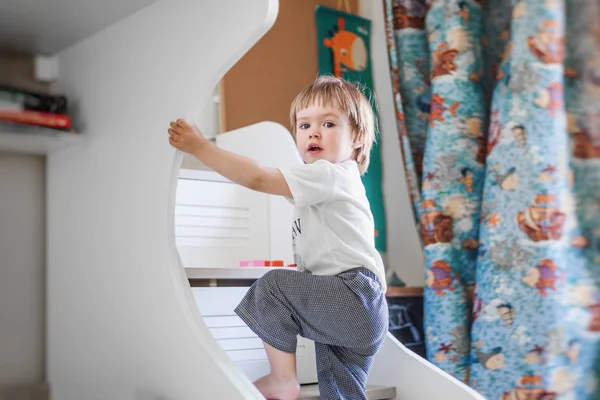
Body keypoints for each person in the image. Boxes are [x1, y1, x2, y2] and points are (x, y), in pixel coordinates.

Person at [167, 75, 388, 400]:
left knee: (272, 288)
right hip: (364, 310)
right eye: (304, 125)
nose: (313, 132)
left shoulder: (329, 173)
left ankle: (283, 379)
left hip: (353, 295)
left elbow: (258, 178)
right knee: (340, 393)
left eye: (328, 123)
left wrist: (201, 148)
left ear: (356, 138)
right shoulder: (332, 181)